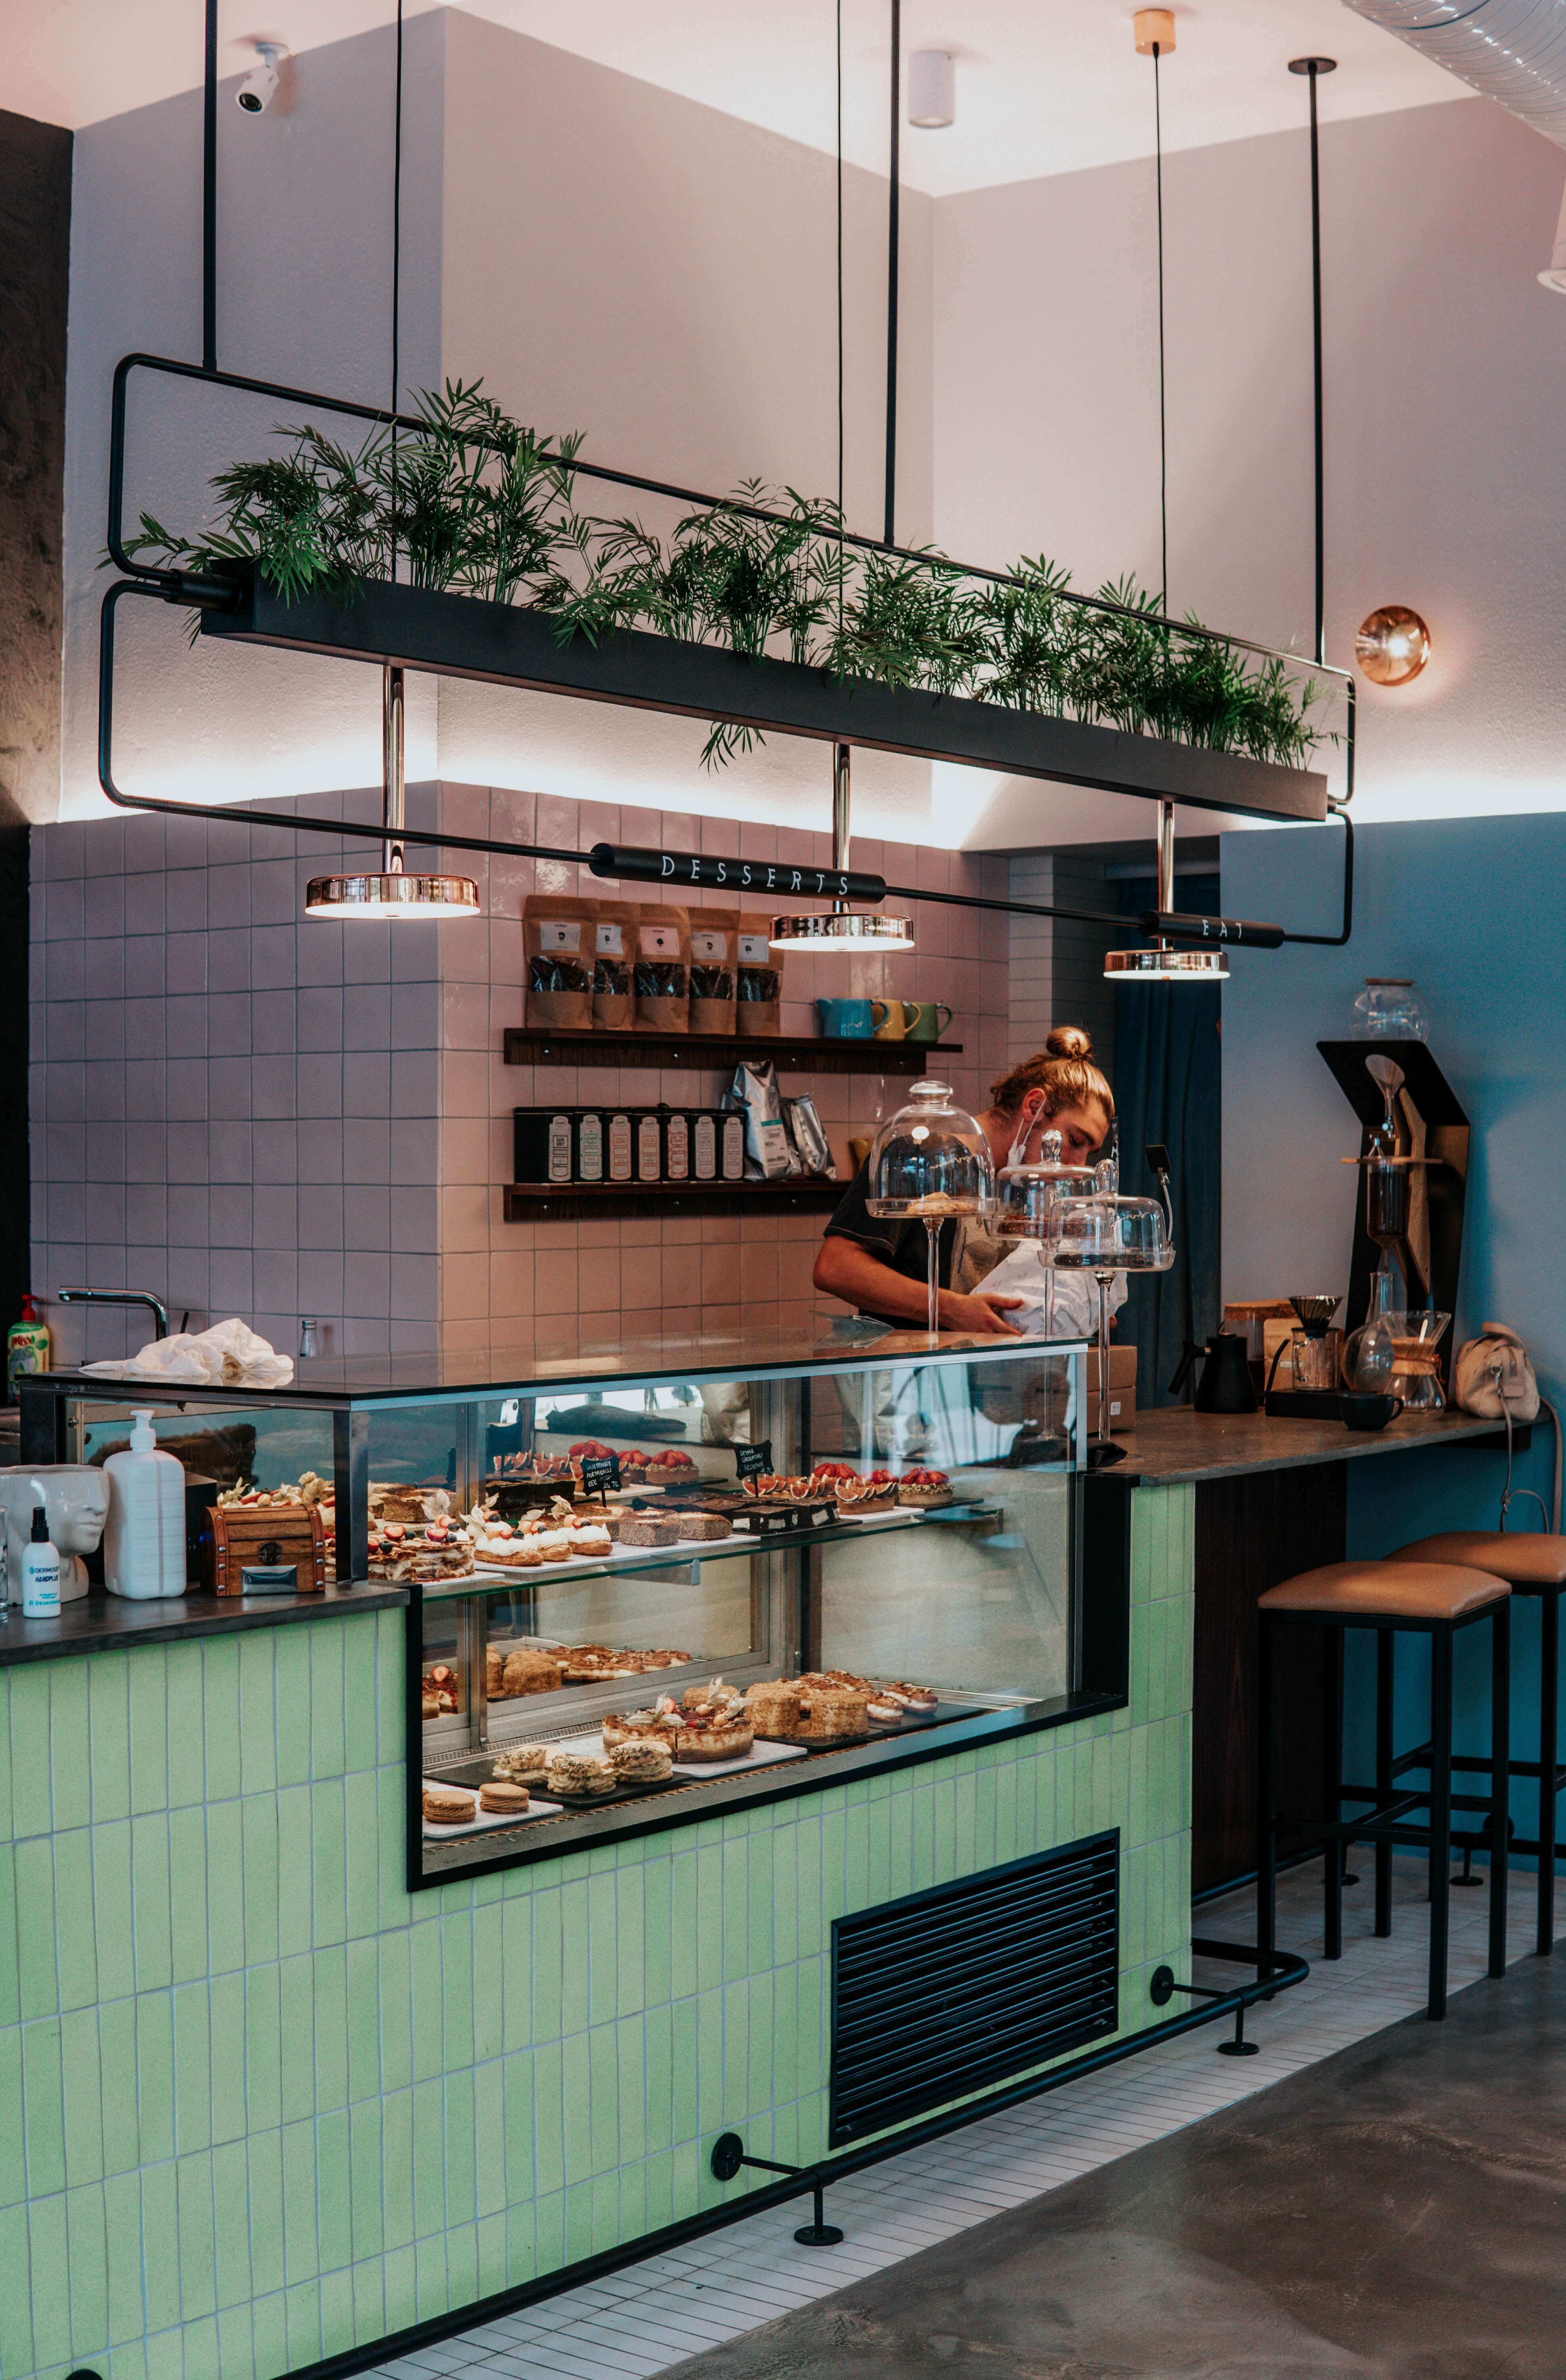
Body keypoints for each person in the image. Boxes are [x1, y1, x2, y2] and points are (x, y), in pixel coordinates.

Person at [814, 1026, 1115, 1333]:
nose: (1078, 1165)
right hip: (909, 1360)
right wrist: (950, 1309)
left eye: (1089, 1152)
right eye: (1075, 1141)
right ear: (1034, 1106)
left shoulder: (1029, 1187)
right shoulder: (923, 1156)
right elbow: (835, 1268)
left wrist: (1075, 1307)